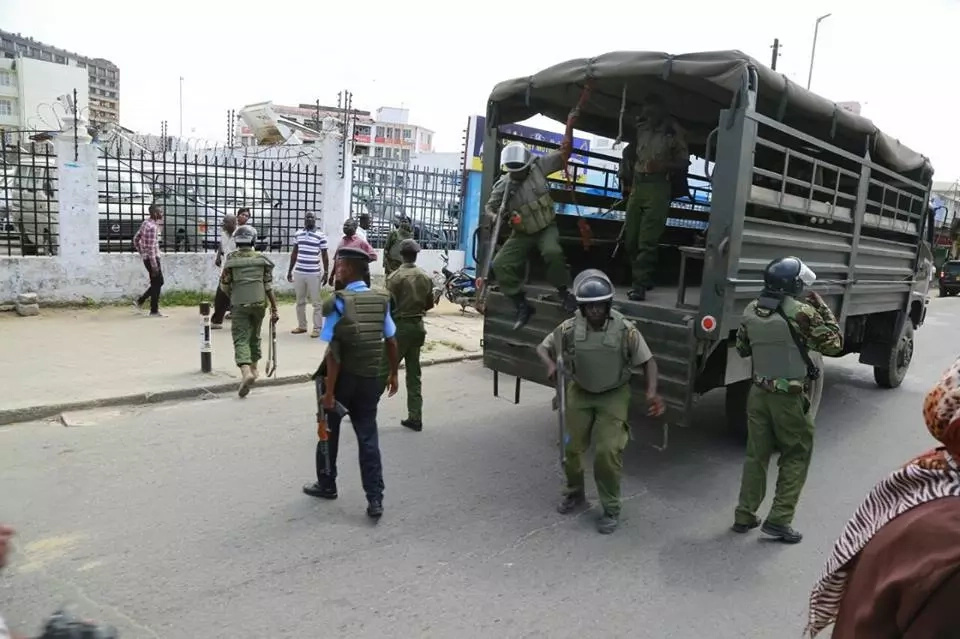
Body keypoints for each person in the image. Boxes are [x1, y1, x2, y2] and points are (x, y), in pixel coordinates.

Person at [806, 357, 960, 637]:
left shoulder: (922, 478)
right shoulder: (950, 543)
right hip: (789, 401)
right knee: (793, 461)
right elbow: (831, 343)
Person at [536, 269, 665, 534]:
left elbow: (648, 361)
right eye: (589, 306)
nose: (595, 310)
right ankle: (574, 492)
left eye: (600, 305)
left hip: (613, 394)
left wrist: (652, 391)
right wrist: (550, 364)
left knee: (607, 452)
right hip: (580, 391)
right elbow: (542, 347)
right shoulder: (569, 328)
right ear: (582, 308)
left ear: (608, 305)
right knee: (569, 447)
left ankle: (611, 508)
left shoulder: (625, 330)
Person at [731, 256, 842, 543]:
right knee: (796, 453)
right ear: (792, 285)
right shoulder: (803, 311)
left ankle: (744, 514)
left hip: (758, 393)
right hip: (788, 398)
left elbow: (743, 349)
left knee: (756, 455)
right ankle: (779, 520)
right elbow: (834, 344)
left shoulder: (750, 309)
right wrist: (823, 308)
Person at [303, 246, 400, 519]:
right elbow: (391, 340)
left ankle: (327, 483)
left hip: (343, 380)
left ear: (347, 268)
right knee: (368, 437)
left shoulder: (338, 302)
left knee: (328, 430)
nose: (337, 269)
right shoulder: (381, 298)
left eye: (339, 265)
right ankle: (375, 499)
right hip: (371, 378)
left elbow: (334, 353)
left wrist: (330, 393)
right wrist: (393, 374)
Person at [484, 138, 577, 331]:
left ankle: (564, 292)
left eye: (520, 168)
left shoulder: (540, 167)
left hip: (546, 227)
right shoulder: (504, 185)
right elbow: (490, 207)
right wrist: (497, 216)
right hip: (523, 233)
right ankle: (521, 304)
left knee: (552, 252)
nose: (518, 173)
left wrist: (568, 143)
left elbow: (563, 156)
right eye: (513, 170)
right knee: (500, 264)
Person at [620, 94, 689, 301]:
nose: (647, 115)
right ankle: (644, 277)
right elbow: (628, 153)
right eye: (645, 111)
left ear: (661, 111)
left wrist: (663, 166)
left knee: (647, 240)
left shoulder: (672, 131)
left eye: (651, 111)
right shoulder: (641, 129)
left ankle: (639, 285)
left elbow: (684, 162)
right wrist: (627, 178)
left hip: (659, 186)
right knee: (630, 238)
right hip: (639, 185)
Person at [219, 225, 279, 398]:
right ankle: (255, 369)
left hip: (240, 304)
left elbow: (224, 285)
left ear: (237, 242)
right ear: (253, 240)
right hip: (260, 303)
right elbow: (268, 286)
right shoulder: (261, 259)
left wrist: (234, 296)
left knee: (240, 338)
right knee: (255, 335)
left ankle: (246, 373)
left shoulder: (231, 260)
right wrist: (274, 308)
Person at [381, 238, 434, 432]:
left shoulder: (394, 277)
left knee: (382, 370)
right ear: (416, 254)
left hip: (400, 327)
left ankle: (364, 411)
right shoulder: (424, 276)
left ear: (401, 255)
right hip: (417, 326)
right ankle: (415, 416)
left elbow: (387, 306)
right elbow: (430, 304)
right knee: (414, 374)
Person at [287, 212, 329, 338]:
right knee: (300, 301)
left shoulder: (320, 235)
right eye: (307, 217)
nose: (309, 219)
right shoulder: (298, 234)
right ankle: (302, 326)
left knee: (316, 302)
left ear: (315, 220)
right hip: (299, 271)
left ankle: (317, 328)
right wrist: (289, 270)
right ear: (304, 220)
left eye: (312, 217)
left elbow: (324, 255)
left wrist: (326, 272)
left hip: (313, 273)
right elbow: (294, 253)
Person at [133, 203, 165, 317]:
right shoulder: (152, 228)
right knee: (158, 282)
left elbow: (136, 239)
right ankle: (153, 310)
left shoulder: (145, 223)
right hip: (153, 259)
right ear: (155, 214)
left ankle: (141, 301)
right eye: (160, 212)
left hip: (147, 258)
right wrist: (154, 266)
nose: (162, 214)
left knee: (156, 282)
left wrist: (142, 252)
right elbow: (151, 248)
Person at [328, 218, 376, 288]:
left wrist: (359, 263)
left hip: (354, 280)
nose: (345, 227)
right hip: (340, 280)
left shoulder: (360, 242)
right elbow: (336, 260)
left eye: (348, 225)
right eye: (344, 225)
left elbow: (373, 256)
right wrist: (332, 275)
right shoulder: (342, 242)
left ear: (354, 228)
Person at [211, 213, 238, 329]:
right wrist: (218, 257)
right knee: (221, 294)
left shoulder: (240, 235)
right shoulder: (223, 234)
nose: (223, 226)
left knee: (237, 296)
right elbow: (221, 246)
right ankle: (217, 320)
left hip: (237, 269)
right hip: (225, 269)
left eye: (225, 223)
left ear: (233, 223)